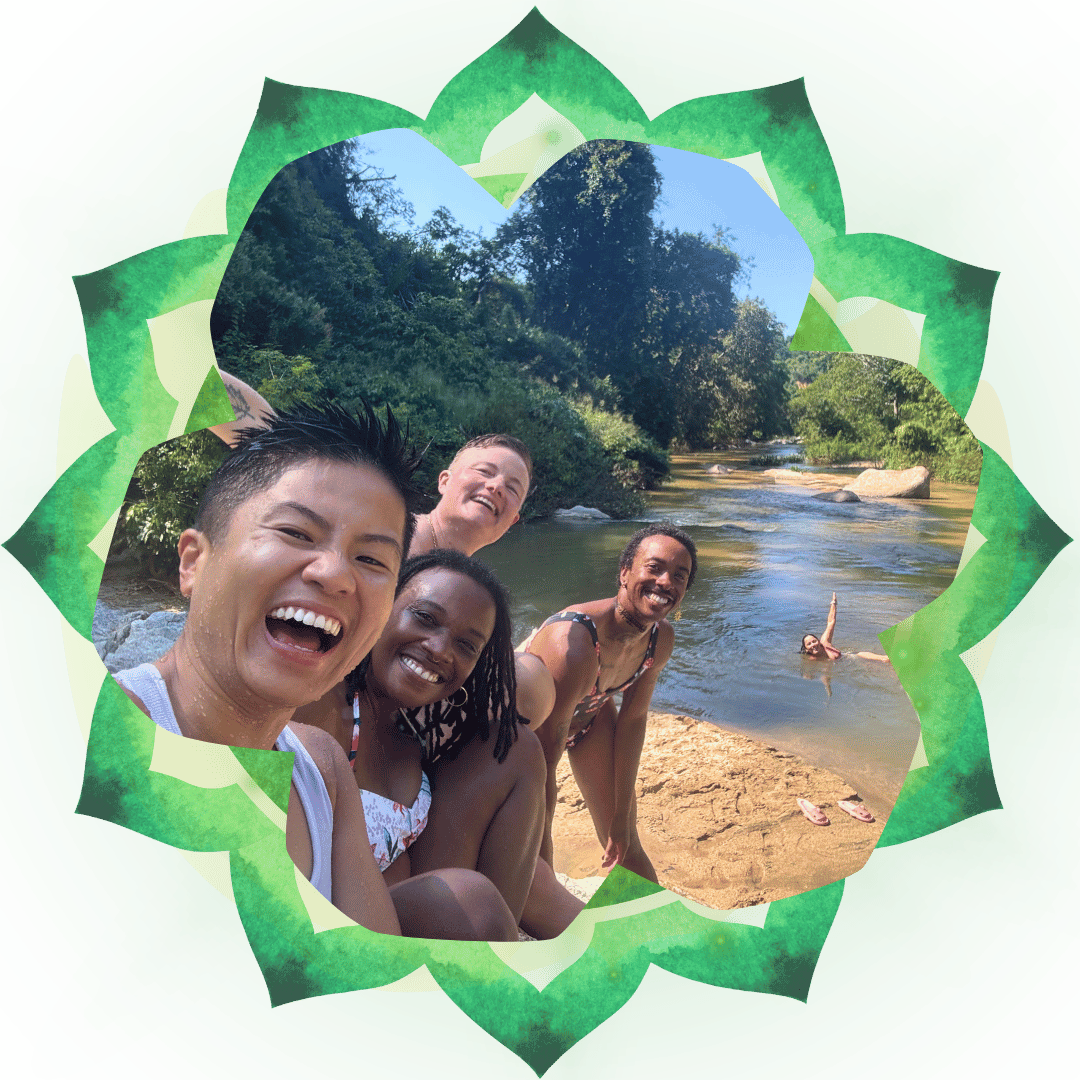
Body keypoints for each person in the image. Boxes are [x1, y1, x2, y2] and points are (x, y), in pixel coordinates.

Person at [113, 402, 427, 935]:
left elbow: (372, 971)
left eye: (372, 560)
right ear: (193, 562)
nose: (335, 574)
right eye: (296, 533)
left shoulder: (322, 770)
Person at [294, 550, 567, 939]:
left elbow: (535, 687)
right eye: (424, 618)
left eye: (466, 645)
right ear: (382, 607)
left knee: (516, 749)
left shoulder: (416, 728)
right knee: (474, 902)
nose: (440, 649)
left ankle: (499, 947)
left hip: (388, 916)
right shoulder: (316, 699)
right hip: (316, 926)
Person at [523, 523, 698, 884]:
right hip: (519, 734)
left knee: (625, 845)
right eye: (654, 568)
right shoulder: (573, 641)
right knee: (532, 849)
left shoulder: (659, 639)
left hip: (588, 716)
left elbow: (633, 721)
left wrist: (621, 818)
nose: (666, 582)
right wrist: (545, 861)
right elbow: (544, 761)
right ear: (624, 573)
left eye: (679, 576)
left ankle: (650, 915)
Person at [800, 593, 890, 662]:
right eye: (809, 644)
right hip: (845, 668)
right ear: (806, 649)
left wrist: (833, 603)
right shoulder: (812, 660)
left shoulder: (825, 643)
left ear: (819, 641)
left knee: (884, 659)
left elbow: (831, 622)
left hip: (852, 658)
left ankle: (890, 658)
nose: (813, 645)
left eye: (814, 641)